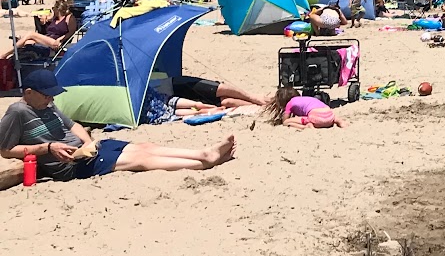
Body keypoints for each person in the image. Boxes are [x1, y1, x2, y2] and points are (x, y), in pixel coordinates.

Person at [0, 67, 238, 178]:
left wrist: (87, 142)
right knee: (141, 161)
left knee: (145, 147)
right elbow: (5, 151)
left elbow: (73, 126)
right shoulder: (17, 112)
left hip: (87, 151)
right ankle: (204, 163)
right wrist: (48, 148)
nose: (50, 98)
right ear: (29, 92)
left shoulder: (48, 105)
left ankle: (202, 153)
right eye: (46, 94)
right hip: (70, 165)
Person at [270, 86, 347, 128]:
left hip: (316, 118)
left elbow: (285, 119)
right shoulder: (306, 99)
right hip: (330, 116)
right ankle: (340, 121)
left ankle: (305, 127)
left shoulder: (290, 103)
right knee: (329, 115)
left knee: (286, 122)